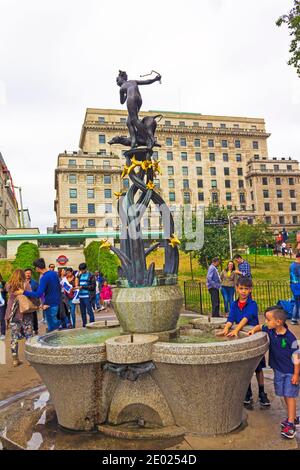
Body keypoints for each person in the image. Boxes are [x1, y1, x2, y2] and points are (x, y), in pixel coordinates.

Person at [218, 277, 270, 408]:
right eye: (241, 288)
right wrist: (226, 328)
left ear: (250, 290)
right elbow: (230, 318)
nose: (243, 291)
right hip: (242, 339)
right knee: (244, 369)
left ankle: (262, 392)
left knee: (258, 368)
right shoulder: (234, 305)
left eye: (246, 289)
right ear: (236, 288)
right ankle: (248, 392)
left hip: (253, 339)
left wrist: (236, 330)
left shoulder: (253, 304)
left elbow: (246, 318)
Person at [248, 307, 300, 439]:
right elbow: (260, 326)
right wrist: (253, 330)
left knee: (290, 396)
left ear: (278, 321)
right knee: (284, 394)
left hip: (289, 372)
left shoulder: (290, 338)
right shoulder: (271, 330)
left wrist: (296, 374)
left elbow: (297, 357)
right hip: (278, 370)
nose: (266, 322)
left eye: (268, 319)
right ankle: (292, 417)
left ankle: (291, 424)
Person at [116, 70, 161, 149]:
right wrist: (155, 79)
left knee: (134, 120)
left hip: (131, 98)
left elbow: (122, 102)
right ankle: (134, 141)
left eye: (117, 80)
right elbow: (147, 81)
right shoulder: (133, 81)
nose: (117, 82)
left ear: (122, 78)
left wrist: (126, 95)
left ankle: (149, 139)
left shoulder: (122, 88)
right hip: (139, 99)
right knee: (128, 122)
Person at [16, 258, 62, 333]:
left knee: (52, 331)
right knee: (56, 328)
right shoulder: (54, 273)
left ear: (37, 267)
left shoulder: (44, 277)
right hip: (57, 303)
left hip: (49, 305)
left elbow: (38, 294)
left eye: (35, 268)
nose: (35, 270)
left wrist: (23, 292)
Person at [5, 269, 34, 367]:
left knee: (14, 337)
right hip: (25, 313)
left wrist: (7, 317)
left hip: (13, 315)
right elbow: (31, 296)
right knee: (29, 336)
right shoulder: (26, 285)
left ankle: (15, 359)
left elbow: (9, 303)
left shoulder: (9, 286)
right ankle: (30, 359)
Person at [76, 263, 96, 327]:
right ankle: (84, 325)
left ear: (86, 269)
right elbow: (78, 283)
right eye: (80, 270)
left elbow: (93, 287)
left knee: (90, 312)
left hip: (88, 296)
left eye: (82, 270)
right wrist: (77, 286)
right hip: (81, 296)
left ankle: (92, 325)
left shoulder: (91, 275)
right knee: (83, 312)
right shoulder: (79, 275)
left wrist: (83, 287)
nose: (81, 271)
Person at [24, 268, 39, 335]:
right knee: (24, 316)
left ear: (31, 274)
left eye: (29, 273)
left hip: (32, 302)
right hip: (24, 302)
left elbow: (38, 292)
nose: (28, 275)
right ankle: (25, 330)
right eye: (27, 273)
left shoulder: (34, 282)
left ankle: (35, 329)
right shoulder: (22, 282)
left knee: (34, 316)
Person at [289, 252, 300, 325]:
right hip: (298, 286)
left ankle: (294, 319)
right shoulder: (298, 266)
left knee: (297, 303)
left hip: (293, 285)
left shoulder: (291, 265)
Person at [0, 273, 7, 340]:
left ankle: (3, 333)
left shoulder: (3, 282)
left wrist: (3, 290)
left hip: (2, 303)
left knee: (2, 318)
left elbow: (7, 290)